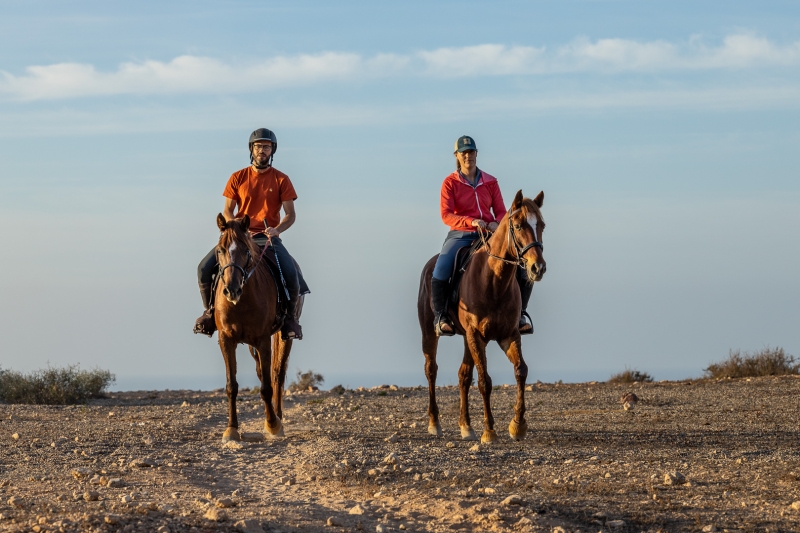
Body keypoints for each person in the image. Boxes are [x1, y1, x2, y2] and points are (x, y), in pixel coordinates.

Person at [194, 128, 306, 340]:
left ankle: (291, 320)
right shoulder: (238, 177)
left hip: (267, 237)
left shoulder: (282, 180)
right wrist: (234, 226)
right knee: (203, 268)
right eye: (258, 146)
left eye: (266, 146)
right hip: (239, 236)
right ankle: (209, 313)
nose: (261, 150)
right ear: (251, 149)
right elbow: (227, 210)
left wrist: (277, 229)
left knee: (292, 274)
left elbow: (290, 214)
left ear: (272, 150)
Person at [431, 135, 534, 336]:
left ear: (477, 154)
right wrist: (471, 221)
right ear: (457, 156)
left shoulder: (490, 181)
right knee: (441, 266)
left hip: (489, 234)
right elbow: (446, 215)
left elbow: (502, 211)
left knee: (521, 266)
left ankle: (520, 314)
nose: (468, 156)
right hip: (461, 234)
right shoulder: (450, 183)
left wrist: (498, 222)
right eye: (464, 153)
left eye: (471, 152)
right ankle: (440, 316)